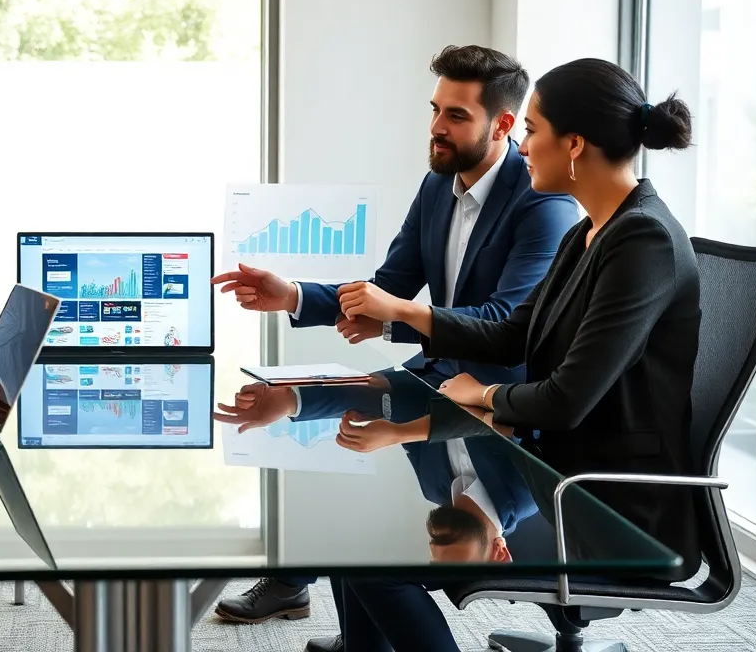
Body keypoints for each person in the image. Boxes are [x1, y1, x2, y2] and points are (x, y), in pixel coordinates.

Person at [210, 45, 580, 645]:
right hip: (437, 380)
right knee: (304, 415)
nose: (437, 126)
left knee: (366, 534)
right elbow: (391, 288)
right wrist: (295, 295)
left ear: (503, 125)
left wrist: (394, 316)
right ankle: (341, 619)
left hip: (501, 404)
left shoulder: (544, 204)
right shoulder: (439, 186)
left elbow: (503, 323)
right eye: (436, 109)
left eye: (456, 115)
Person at [334, 58, 700, 651]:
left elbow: (567, 399)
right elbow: (513, 336)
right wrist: (403, 313)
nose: (522, 146)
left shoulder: (643, 240)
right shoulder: (593, 232)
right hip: (555, 468)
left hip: (607, 504)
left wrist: (483, 394)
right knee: (355, 541)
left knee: (374, 564)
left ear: (574, 144)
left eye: (531, 130)